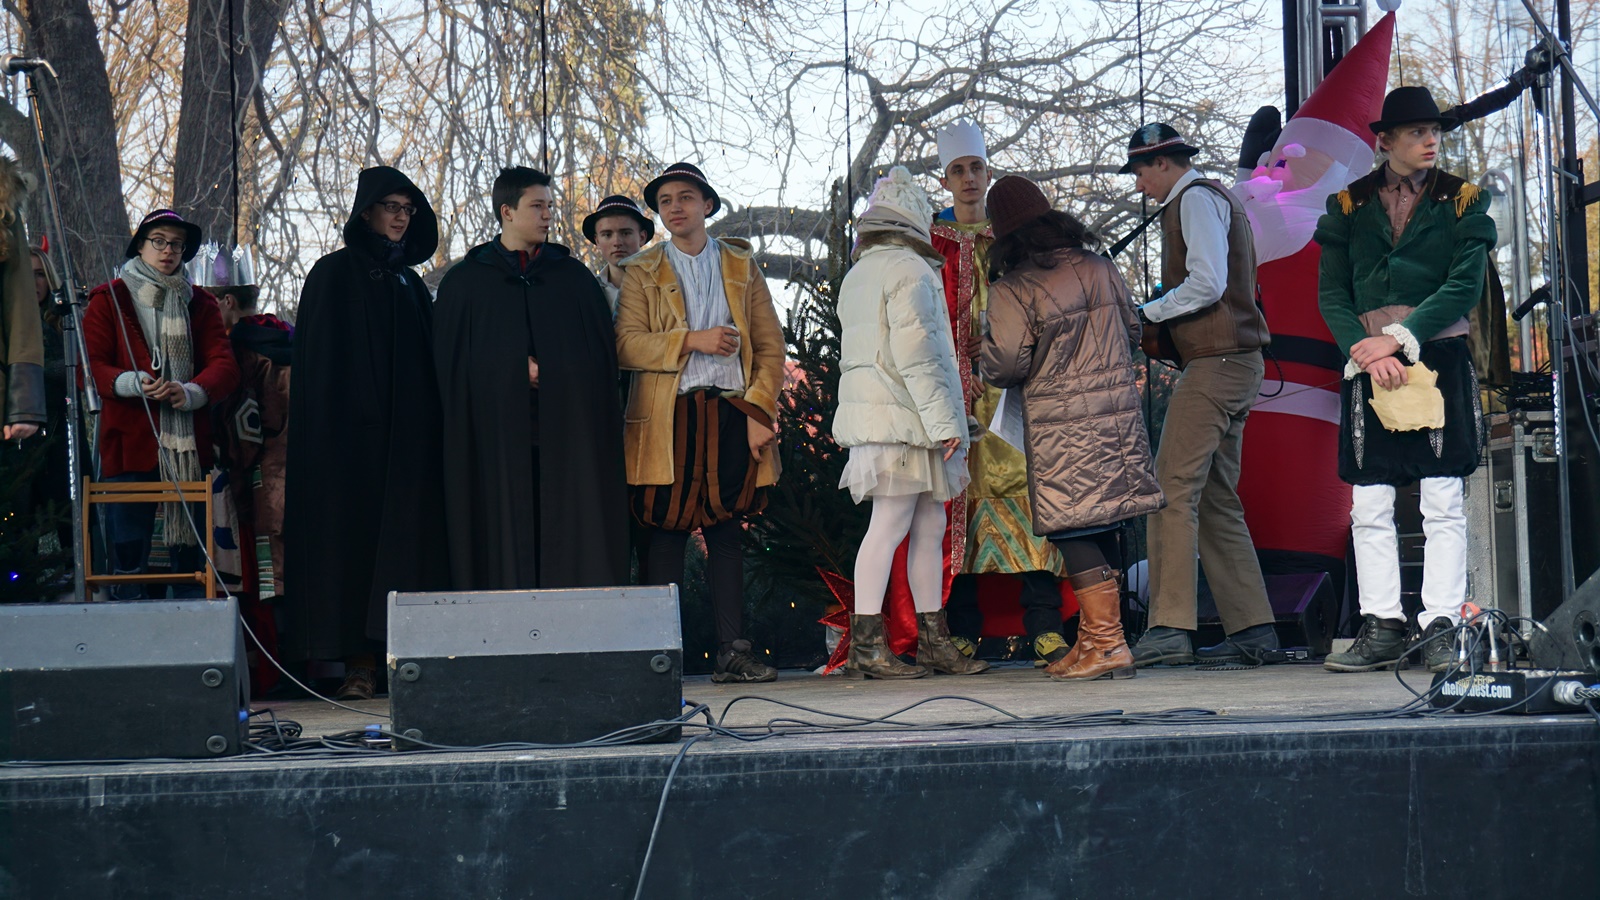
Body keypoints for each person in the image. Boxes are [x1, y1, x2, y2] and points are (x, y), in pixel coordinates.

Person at [1317, 87, 1496, 673]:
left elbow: (1463, 286)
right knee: (1370, 500)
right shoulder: (1348, 204)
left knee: (1441, 498)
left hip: (1436, 356)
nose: (1430, 140)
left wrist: (1396, 339)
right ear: (1385, 141)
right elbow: (1332, 294)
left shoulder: (1464, 199)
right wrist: (1366, 353)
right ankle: (1383, 626)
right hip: (1366, 363)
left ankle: (1440, 624)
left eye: (1434, 131)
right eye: (1417, 131)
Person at [980, 176, 1165, 681]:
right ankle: (1096, 640)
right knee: (1103, 522)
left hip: (1062, 424)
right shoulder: (1101, 267)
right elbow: (1132, 330)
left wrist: (985, 348)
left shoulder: (1014, 287)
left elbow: (1006, 364)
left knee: (1073, 527)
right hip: (1117, 418)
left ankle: (1107, 645)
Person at [1117, 123, 1279, 668]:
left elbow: (1207, 283)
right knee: (1214, 498)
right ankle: (1253, 628)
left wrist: (1145, 313)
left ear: (1163, 163)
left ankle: (1168, 628)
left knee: (1169, 490)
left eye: (1141, 171)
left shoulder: (1193, 200)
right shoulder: (1213, 198)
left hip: (1217, 363)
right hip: (1236, 362)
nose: (1139, 184)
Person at [284, 167, 448, 701]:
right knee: (352, 547)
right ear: (366, 212)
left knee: (406, 548)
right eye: (391, 207)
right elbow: (318, 367)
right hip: (347, 449)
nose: (401, 218)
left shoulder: (411, 284)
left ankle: (408, 659)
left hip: (408, 446)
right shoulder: (332, 274)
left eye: (408, 209)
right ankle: (358, 663)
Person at [616, 162, 784, 683]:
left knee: (726, 531)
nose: (675, 207)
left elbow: (770, 346)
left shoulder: (741, 264)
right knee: (665, 533)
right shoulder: (642, 269)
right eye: (665, 201)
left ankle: (733, 651)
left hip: (732, 413)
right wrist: (692, 340)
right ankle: (660, 656)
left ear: (707, 205)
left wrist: (759, 412)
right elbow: (625, 345)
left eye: (685, 197)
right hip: (668, 418)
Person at [434, 166, 628, 590]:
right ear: (507, 211)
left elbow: (599, 363)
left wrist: (552, 371)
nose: (548, 215)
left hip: (567, 446)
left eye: (550, 206)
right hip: (494, 451)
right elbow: (451, 369)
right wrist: (511, 368)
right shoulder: (465, 284)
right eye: (537, 206)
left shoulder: (573, 280)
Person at [930, 118, 1076, 666]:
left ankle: (1045, 627)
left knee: (1030, 497)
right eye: (958, 170)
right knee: (957, 507)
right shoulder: (929, 244)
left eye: (976, 168)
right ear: (945, 180)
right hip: (953, 394)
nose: (969, 178)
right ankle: (963, 628)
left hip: (1014, 390)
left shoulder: (1014, 238)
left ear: (989, 173)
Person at [832, 166, 986, 679]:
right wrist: (948, 423)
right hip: (904, 418)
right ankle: (869, 647)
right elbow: (920, 355)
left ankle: (930, 642)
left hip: (892, 415)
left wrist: (947, 420)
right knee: (893, 524)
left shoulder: (861, 272)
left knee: (925, 523)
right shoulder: (911, 270)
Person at [82, 210, 240, 599]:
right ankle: (128, 621)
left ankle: (189, 624)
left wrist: (191, 392)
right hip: (128, 445)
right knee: (129, 553)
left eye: (177, 244)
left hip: (188, 450)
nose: (168, 251)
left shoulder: (200, 303)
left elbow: (224, 366)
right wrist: (133, 383)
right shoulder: (109, 298)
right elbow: (93, 365)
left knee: (189, 560)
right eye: (159, 241)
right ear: (140, 245)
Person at [195, 244, 292, 603]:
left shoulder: (239, 353)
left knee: (260, 585)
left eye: (208, 305)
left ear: (227, 302)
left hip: (260, 482)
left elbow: (245, 429)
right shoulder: (292, 339)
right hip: (304, 472)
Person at [582, 195, 652, 317]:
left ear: (642, 237)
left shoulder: (662, 285)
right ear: (597, 241)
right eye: (607, 235)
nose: (617, 242)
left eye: (625, 233)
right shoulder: (588, 291)